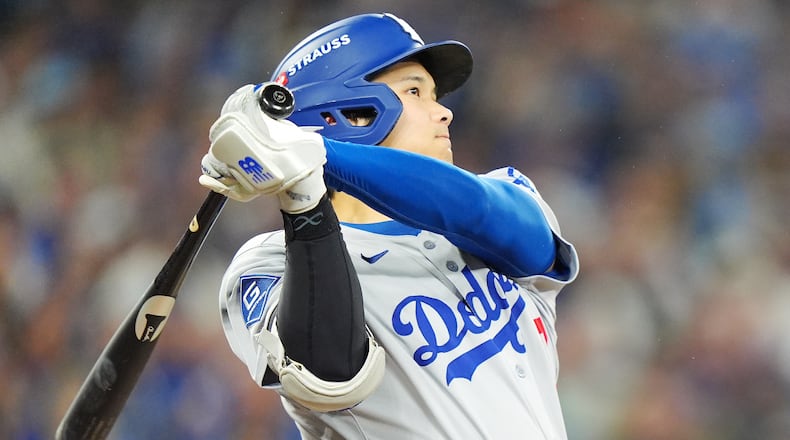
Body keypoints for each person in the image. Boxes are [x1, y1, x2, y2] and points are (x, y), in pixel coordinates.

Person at [199, 12, 579, 439]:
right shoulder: (267, 264)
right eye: (414, 91)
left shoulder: (505, 191)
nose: (444, 113)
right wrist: (304, 197)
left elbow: (482, 212)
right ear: (347, 114)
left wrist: (315, 153)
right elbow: (327, 374)